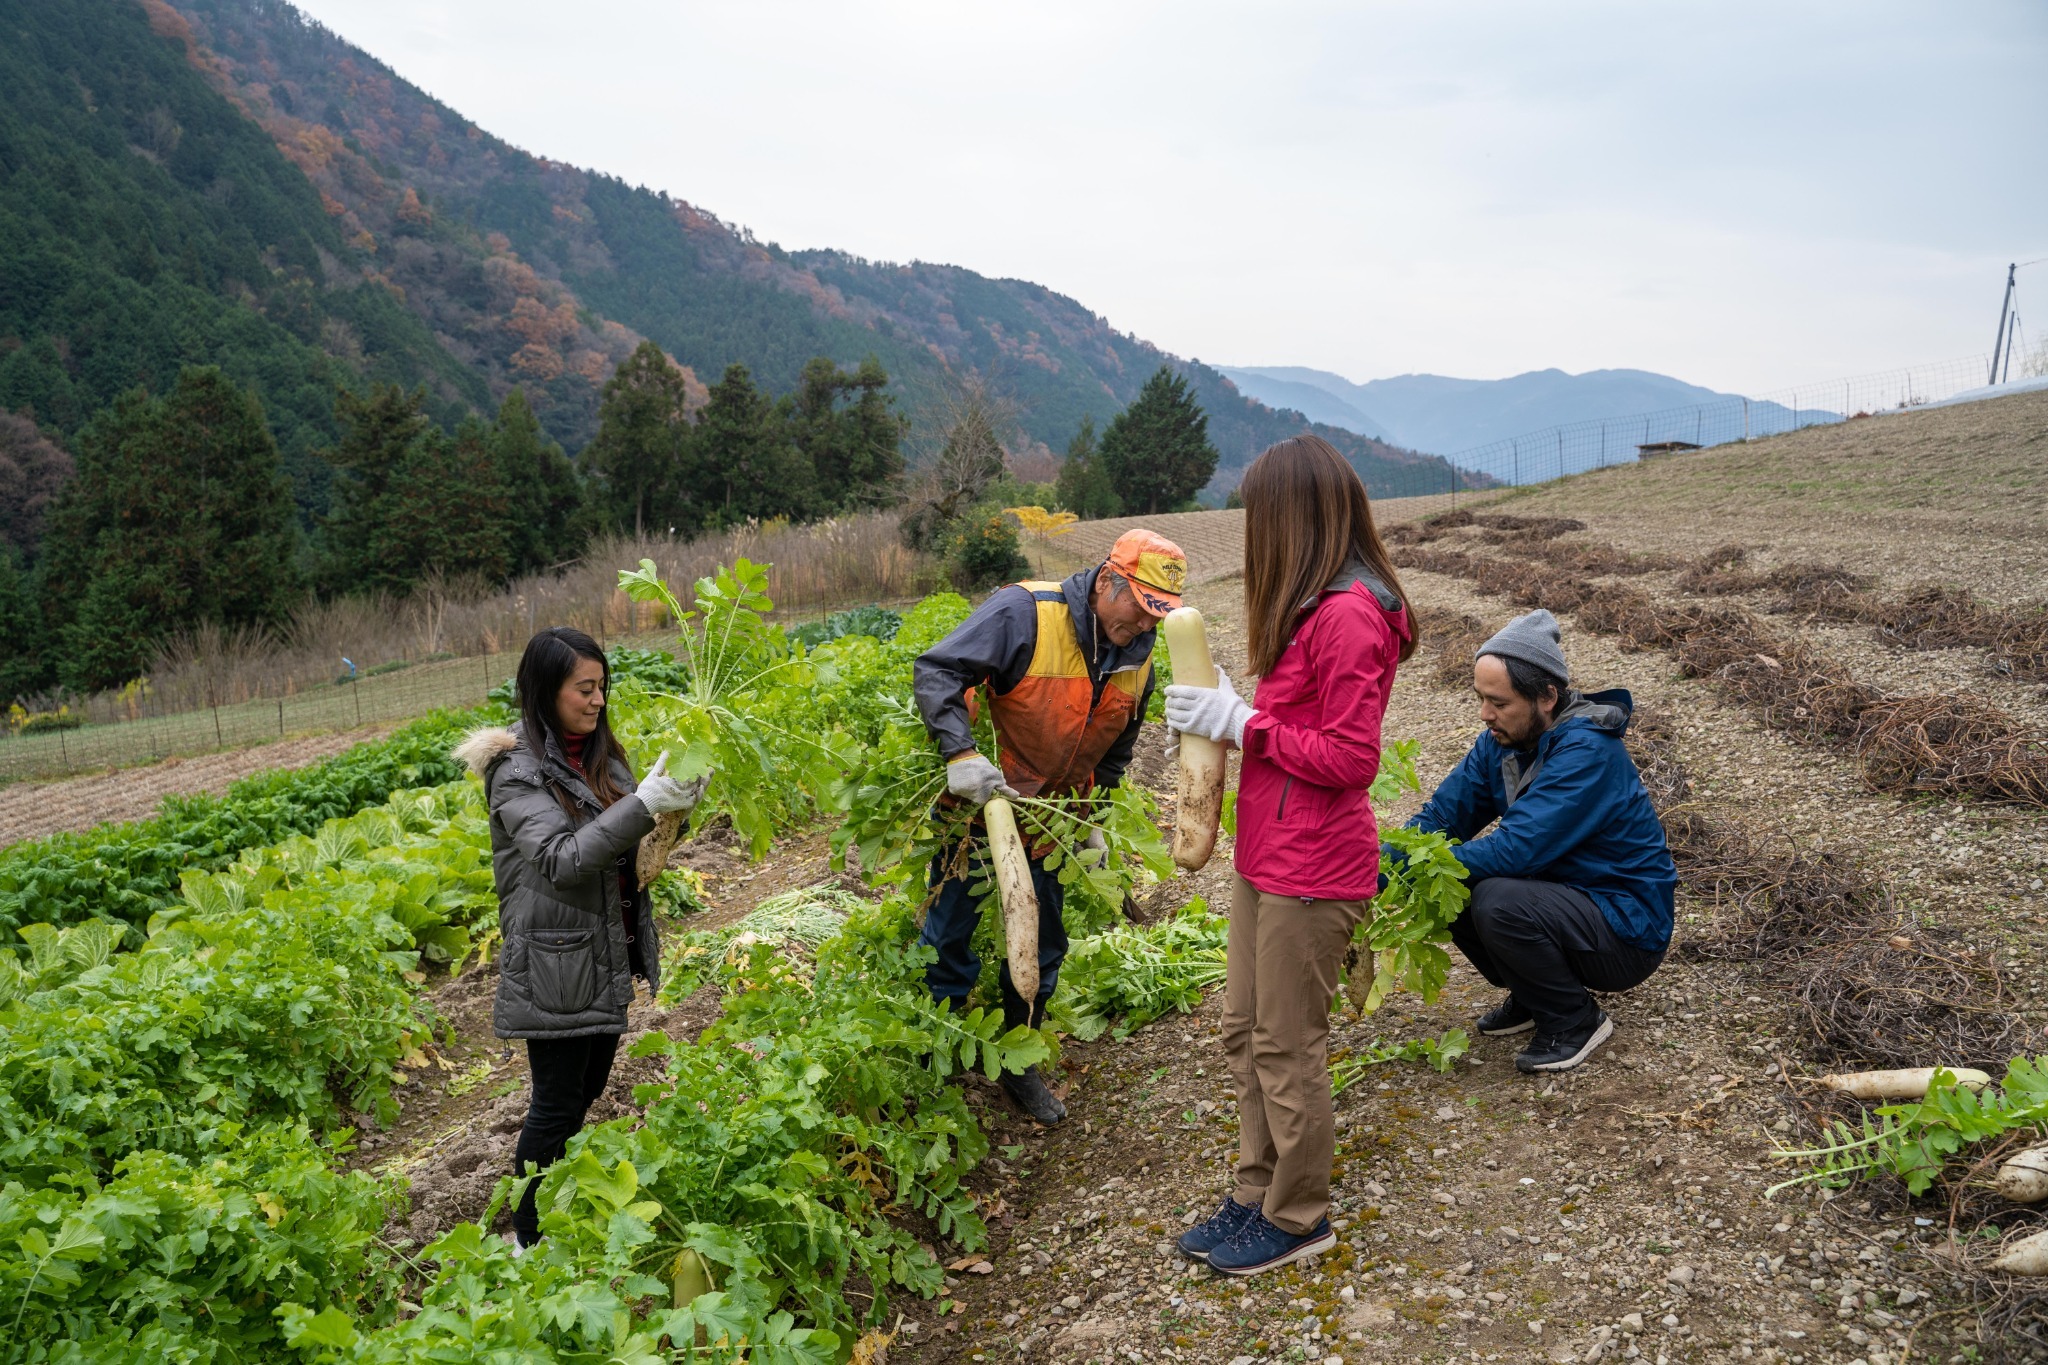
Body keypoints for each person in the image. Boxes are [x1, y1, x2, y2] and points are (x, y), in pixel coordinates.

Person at [1162, 435, 1412, 1278]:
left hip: (1314, 864)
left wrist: (1242, 723)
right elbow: (1292, 719)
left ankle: (1299, 1214)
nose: (1252, 532)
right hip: (1267, 853)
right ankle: (1255, 1188)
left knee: (1286, 1042)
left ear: (1295, 517)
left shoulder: (1350, 615)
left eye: (1259, 515)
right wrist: (1232, 706)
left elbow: (1351, 757)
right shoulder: (1312, 604)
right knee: (1244, 1027)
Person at [911, 528, 1188, 1125]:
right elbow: (937, 670)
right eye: (1142, 608)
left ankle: (1018, 1058)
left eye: (1158, 614)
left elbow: (1117, 747)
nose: (1147, 624)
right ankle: (939, 1045)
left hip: (1050, 818)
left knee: (1041, 944)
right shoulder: (1026, 613)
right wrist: (960, 754)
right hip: (979, 800)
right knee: (951, 928)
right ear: (1108, 580)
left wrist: (1095, 817)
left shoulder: (1139, 657)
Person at [455, 627, 706, 1250]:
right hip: (556, 960)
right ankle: (527, 1239)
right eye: (584, 689)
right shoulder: (516, 772)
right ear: (546, 691)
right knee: (556, 1103)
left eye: (602, 687)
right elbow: (563, 860)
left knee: (585, 1091)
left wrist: (675, 810)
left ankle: (553, 1210)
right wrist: (643, 804)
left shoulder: (601, 757)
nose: (598, 700)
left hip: (604, 952)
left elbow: (628, 853)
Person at [1406, 608, 1675, 1074]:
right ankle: (1535, 994)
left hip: (1626, 929)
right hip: (1568, 902)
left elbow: (1515, 850)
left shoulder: (1588, 750)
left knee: (1494, 897)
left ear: (1547, 696)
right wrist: (1382, 863)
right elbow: (1444, 817)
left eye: (1499, 702)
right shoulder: (1501, 742)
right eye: (1481, 699)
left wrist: (1417, 865)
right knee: (1447, 883)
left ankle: (1574, 1021)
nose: (1485, 715)